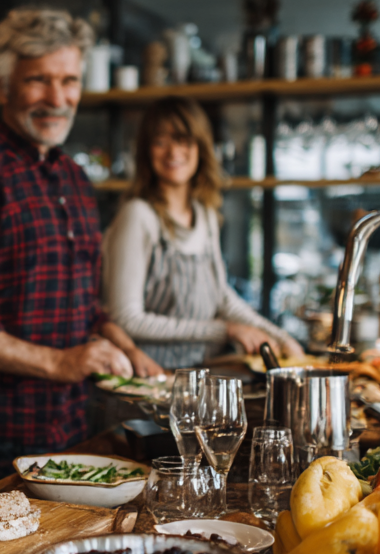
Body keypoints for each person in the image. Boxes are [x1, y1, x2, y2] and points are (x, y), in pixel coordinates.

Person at [0, 9, 163, 489]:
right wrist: (60, 362)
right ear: (3, 85)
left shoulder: (74, 178)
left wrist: (129, 349)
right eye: (39, 81)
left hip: (72, 424)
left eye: (69, 80)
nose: (58, 99)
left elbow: (80, 307)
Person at [103, 94, 305, 368]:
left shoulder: (205, 214)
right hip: (149, 379)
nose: (173, 153)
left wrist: (279, 336)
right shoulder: (138, 216)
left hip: (199, 373)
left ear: (200, 147)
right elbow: (127, 318)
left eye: (183, 140)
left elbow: (221, 297)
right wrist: (225, 330)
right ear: (145, 152)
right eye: (160, 142)